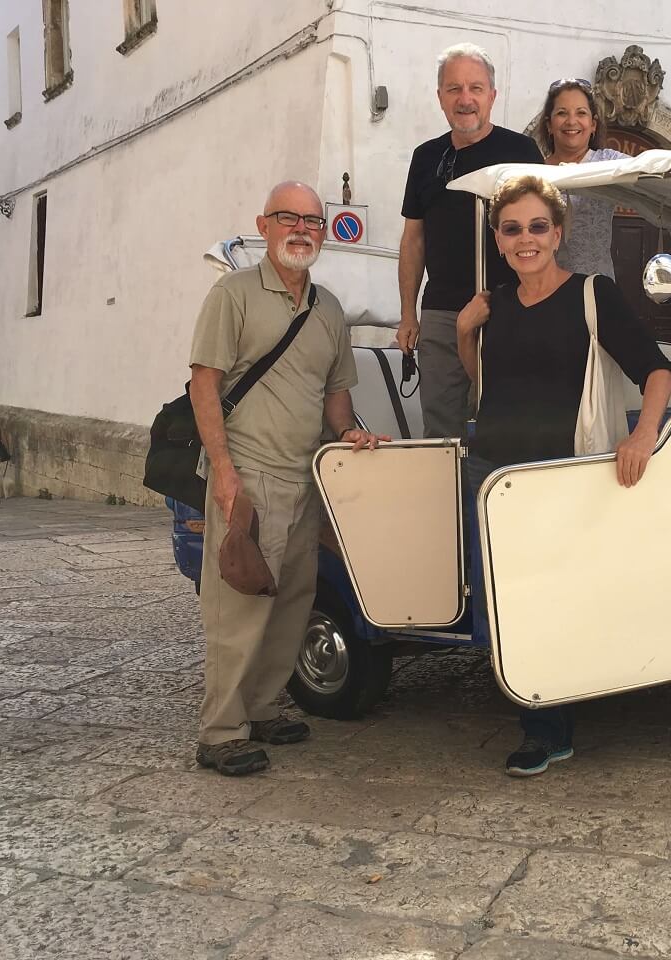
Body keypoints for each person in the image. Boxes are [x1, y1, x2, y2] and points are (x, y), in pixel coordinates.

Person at [455, 175, 671, 776]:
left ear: (558, 234)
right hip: (493, 472)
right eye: (511, 229)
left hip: (559, 475)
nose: (524, 239)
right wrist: (463, 332)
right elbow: (484, 384)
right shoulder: (495, 303)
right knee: (504, 602)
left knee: (549, 599)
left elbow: (657, 370)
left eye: (537, 227)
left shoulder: (592, 294)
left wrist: (643, 435)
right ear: (498, 240)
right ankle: (537, 708)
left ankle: (545, 729)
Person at [189, 180, 387, 777]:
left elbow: (335, 395)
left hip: (306, 478)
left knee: (291, 605)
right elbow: (204, 385)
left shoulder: (328, 309)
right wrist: (224, 474)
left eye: (312, 221)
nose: (301, 230)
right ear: (264, 225)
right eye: (288, 218)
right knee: (239, 606)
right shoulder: (233, 294)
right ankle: (220, 731)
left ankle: (260, 709)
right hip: (249, 474)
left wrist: (348, 433)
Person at [398, 43, 542, 439]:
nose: (465, 99)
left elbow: (543, 232)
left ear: (492, 96)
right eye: (454, 89)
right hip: (441, 314)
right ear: (440, 97)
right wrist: (408, 314)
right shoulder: (426, 158)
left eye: (475, 88)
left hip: (509, 309)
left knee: (508, 424)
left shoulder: (521, 152)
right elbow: (413, 240)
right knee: (441, 432)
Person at [537, 78, 628, 280]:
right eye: (562, 113)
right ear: (549, 125)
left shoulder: (608, 162)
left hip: (596, 286)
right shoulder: (534, 171)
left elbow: (648, 168)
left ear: (593, 124)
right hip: (545, 286)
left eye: (581, 113)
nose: (571, 121)